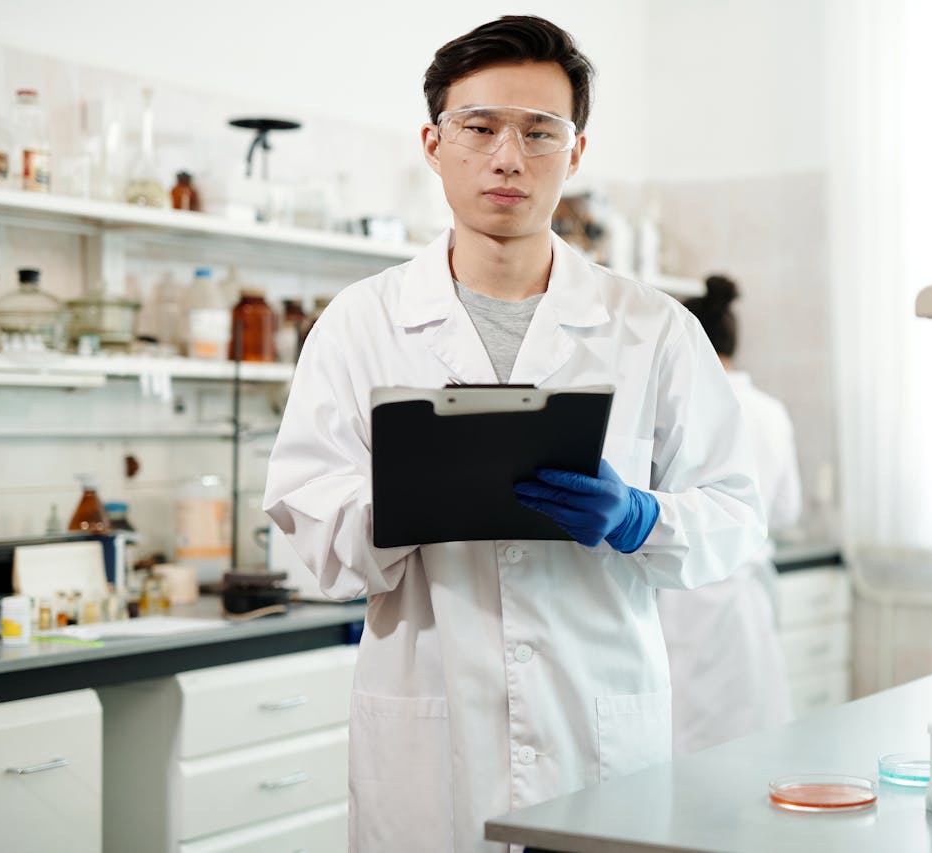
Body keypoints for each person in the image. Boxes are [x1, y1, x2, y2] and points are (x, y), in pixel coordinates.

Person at [262, 16, 766, 853]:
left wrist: (641, 516)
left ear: (574, 153)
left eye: (540, 133)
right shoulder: (359, 324)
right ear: (433, 142)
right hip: (429, 730)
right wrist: (403, 501)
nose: (509, 158)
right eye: (481, 127)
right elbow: (310, 530)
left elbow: (736, 518)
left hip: (596, 730)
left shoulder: (652, 328)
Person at [657, 274, 802, 756]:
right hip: (746, 595)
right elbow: (785, 511)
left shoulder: (682, 407)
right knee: (753, 740)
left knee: (689, 747)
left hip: (688, 598)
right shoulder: (770, 410)